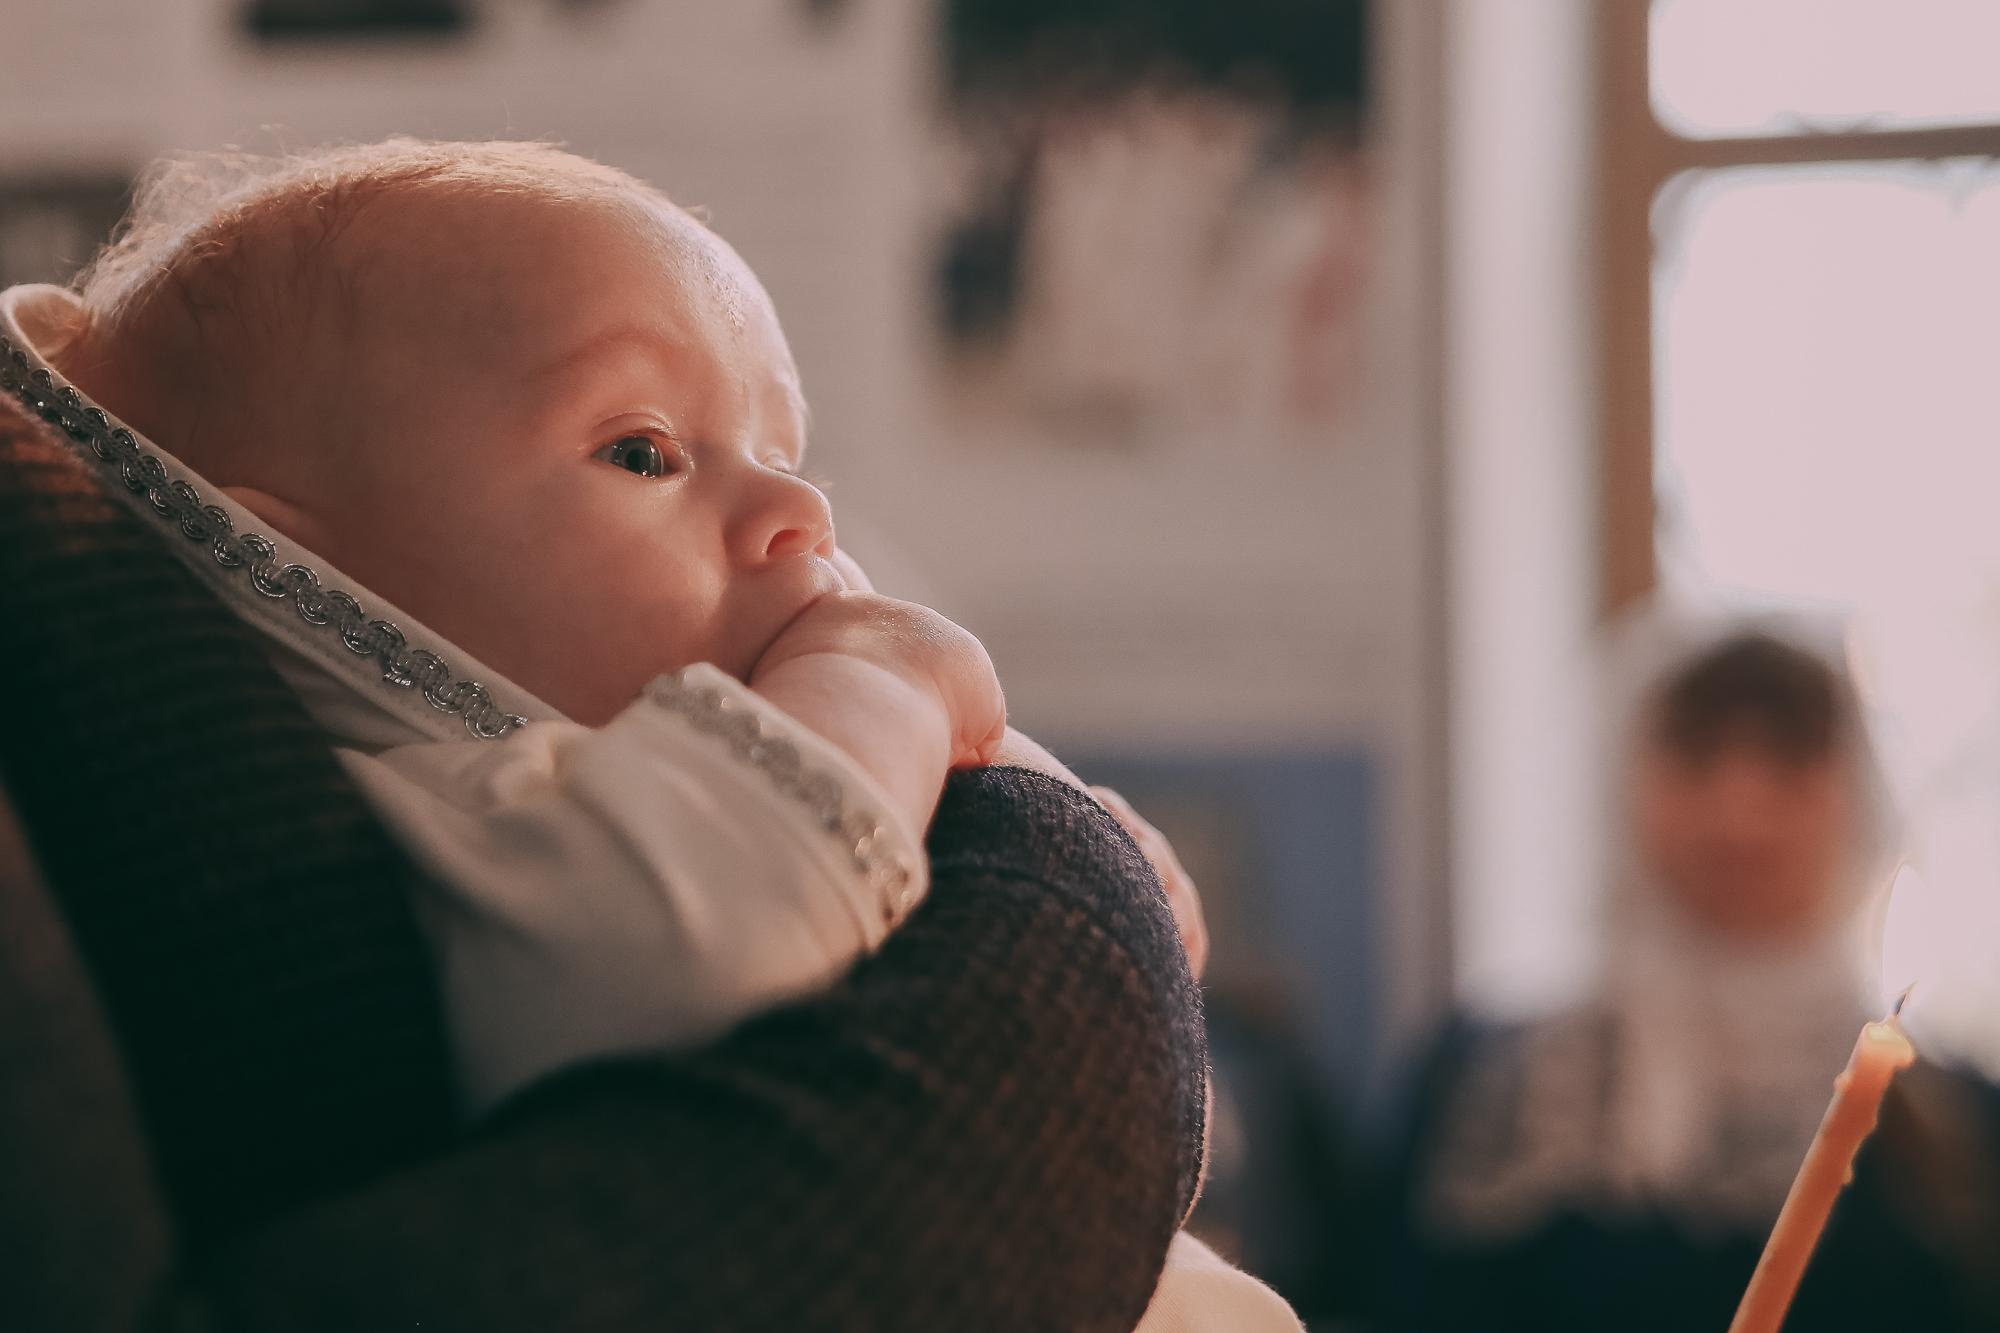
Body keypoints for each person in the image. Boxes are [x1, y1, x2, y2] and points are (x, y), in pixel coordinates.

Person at [0, 137, 1296, 1328]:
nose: (798, 506)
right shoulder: (440, 815)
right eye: (642, 453)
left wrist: (1039, 804)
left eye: (786, 449)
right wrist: (885, 691)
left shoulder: (664, 749)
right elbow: (693, 934)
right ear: (301, 575)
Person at [1372, 605, 2000, 1332]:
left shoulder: (1958, 1124)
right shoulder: (1487, 1089)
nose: (1740, 809)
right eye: (1696, 755)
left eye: (1790, 758)